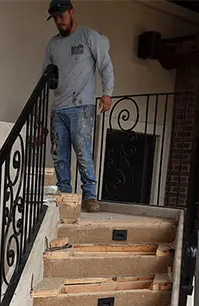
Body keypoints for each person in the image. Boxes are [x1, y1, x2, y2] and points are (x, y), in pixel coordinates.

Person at [43, 0, 114, 212]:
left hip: (82, 106)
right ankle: (65, 195)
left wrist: (107, 94)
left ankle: (90, 196)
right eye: (55, 18)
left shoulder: (89, 37)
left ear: (72, 13)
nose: (59, 21)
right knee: (59, 155)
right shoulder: (53, 44)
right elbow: (45, 75)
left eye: (61, 16)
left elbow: (106, 66)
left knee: (83, 151)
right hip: (59, 108)